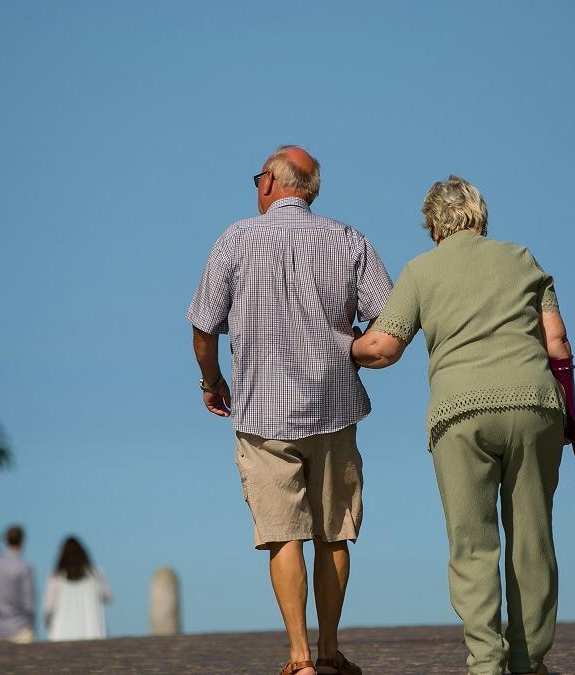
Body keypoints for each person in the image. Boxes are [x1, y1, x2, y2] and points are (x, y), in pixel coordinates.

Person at [351, 176, 575, 675]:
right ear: (481, 216)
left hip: (460, 415)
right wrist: (570, 415)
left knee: (472, 544)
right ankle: (528, 660)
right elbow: (557, 342)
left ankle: (484, 664)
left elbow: (384, 348)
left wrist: (348, 346)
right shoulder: (523, 258)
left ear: (434, 225)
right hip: (534, 404)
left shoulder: (421, 270)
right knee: (532, 539)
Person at [186, 145, 393, 675]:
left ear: (271, 184)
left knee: (283, 535)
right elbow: (389, 319)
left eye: (258, 177)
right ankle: (328, 650)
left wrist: (212, 382)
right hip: (334, 405)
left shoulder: (235, 238)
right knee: (334, 533)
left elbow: (204, 325)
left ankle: (299, 657)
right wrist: (349, 351)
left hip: (261, 414)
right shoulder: (349, 239)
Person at [42, 536, 112, 641]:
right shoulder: (95, 574)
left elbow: (48, 607)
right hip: (92, 632)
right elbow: (108, 596)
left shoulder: (56, 577)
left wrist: (47, 623)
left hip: (62, 635)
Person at [0, 524, 37, 644]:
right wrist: (31, 624)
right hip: (21, 627)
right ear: (22, 540)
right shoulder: (24, 567)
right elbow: (28, 602)